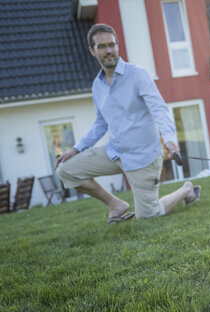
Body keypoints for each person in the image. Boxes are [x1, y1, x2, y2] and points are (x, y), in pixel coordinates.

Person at [55, 23, 200, 224]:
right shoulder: (97, 85)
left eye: (111, 45)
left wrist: (169, 140)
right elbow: (100, 124)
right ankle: (115, 205)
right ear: (92, 51)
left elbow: (159, 109)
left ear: (117, 46)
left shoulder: (138, 74)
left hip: (143, 157)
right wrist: (76, 149)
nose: (108, 51)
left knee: (149, 214)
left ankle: (186, 190)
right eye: (102, 46)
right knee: (66, 170)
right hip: (114, 153)